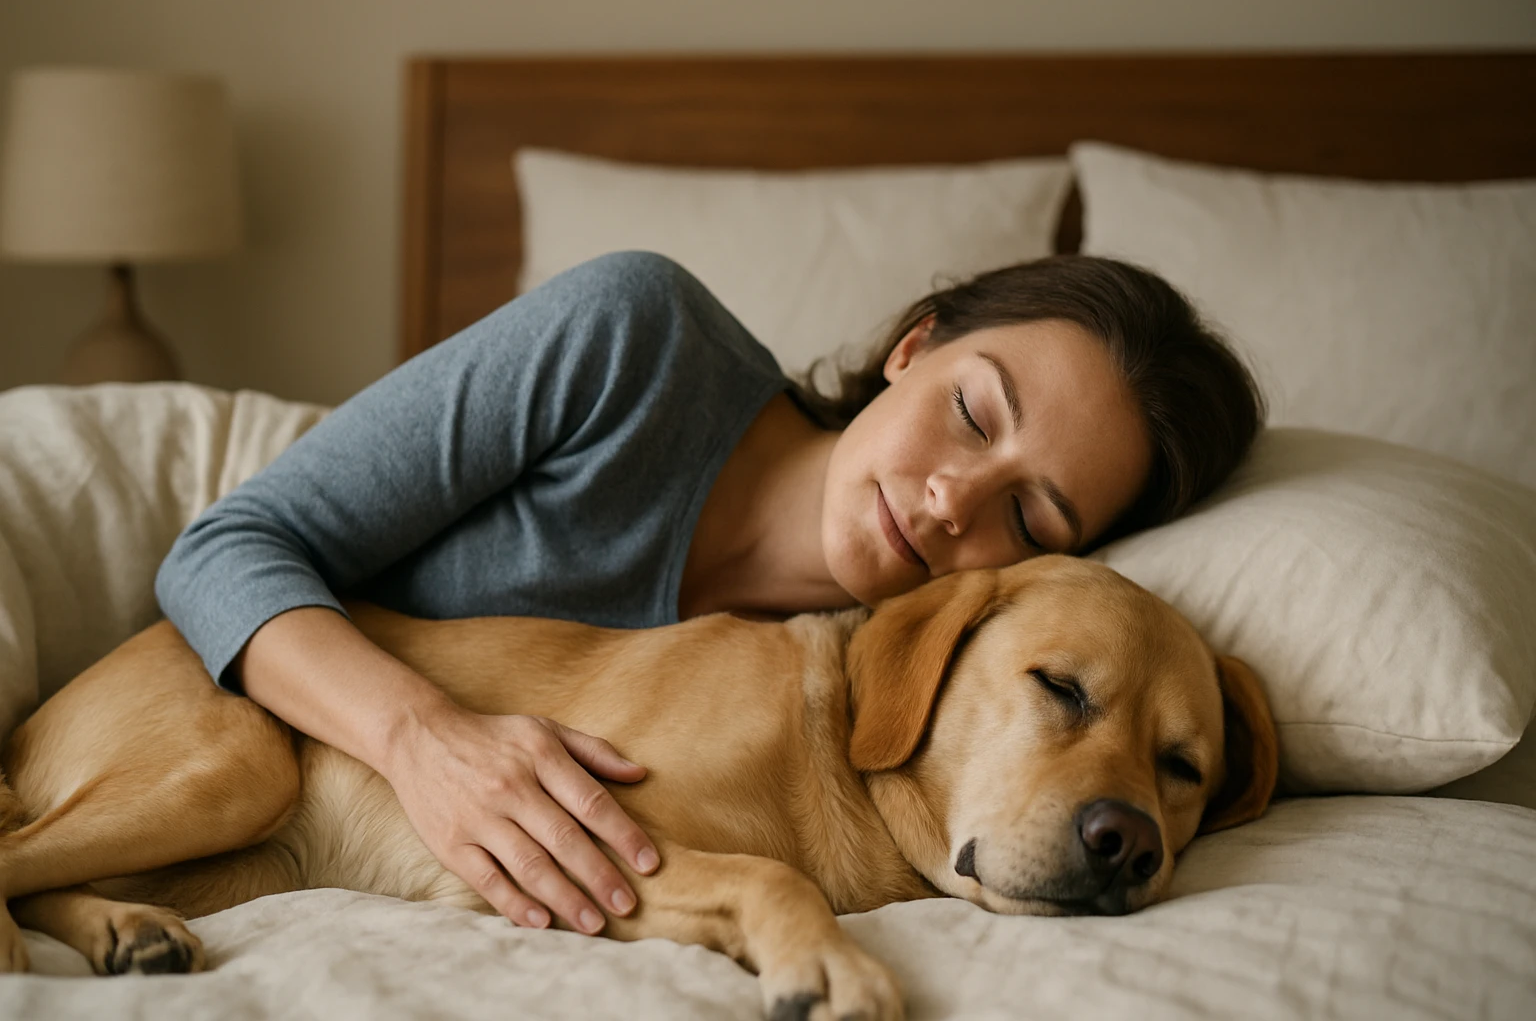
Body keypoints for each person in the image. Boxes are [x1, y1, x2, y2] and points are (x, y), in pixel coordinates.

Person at [156, 250, 1263, 940]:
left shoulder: (846, 705)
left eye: (1029, 517)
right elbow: (221, 548)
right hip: (212, 728)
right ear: (915, 345)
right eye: (974, 412)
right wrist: (424, 740)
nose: (947, 496)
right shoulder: (634, 337)